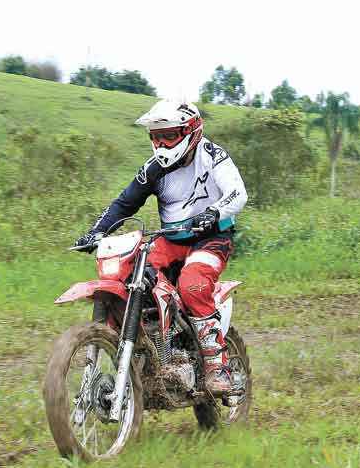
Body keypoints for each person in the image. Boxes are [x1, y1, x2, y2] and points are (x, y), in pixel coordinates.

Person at [74, 100, 248, 395]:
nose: (161, 143)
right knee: (130, 276)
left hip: (210, 238)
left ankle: (217, 366)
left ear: (190, 131)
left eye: (168, 135)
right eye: (155, 136)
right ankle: (147, 349)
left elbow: (237, 192)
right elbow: (124, 203)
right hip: (170, 240)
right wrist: (96, 231)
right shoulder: (154, 169)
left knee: (192, 284)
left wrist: (214, 212)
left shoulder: (211, 155)